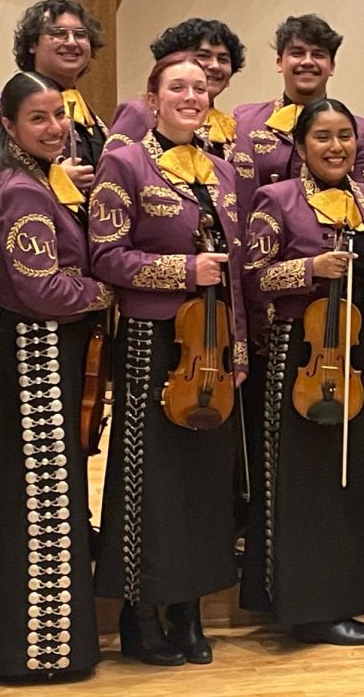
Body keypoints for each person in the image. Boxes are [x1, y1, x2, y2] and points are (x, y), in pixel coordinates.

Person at [89, 58, 249, 665]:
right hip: (152, 342)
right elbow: (105, 256)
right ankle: (140, 609)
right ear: (150, 97)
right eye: (176, 87)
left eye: (200, 88)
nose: (190, 96)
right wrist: (183, 270)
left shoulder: (225, 172)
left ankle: (189, 609)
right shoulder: (124, 162)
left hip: (211, 345)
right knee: (149, 477)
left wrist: (236, 345)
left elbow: (237, 275)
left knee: (206, 478)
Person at [0, 72, 113, 683]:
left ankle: (48, 646)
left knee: (54, 494)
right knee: (43, 499)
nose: (55, 129)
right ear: (9, 126)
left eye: (59, 116)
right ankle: (33, 654)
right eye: (38, 119)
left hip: (55, 346)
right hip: (40, 348)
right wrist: (106, 290)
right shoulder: (22, 189)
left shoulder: (44, 180)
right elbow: (41, 288)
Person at [239, 99, 364, 646]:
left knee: (347, 481)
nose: (337, 147)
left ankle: (342, 597)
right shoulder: (276, 200)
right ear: (302, 146)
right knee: (305, 482)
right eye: (323, 138)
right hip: (299, 353)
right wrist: (309, 268)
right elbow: (255, 277)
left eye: (345, 136)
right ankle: (306, 606)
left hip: (354, 354)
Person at [0, 0, 108, 212]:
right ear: (32, 45)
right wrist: (53, 181)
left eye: (81, 35)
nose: (72, 42)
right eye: (58, 33)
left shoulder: (91, 118)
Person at [230, 14, 364, 213]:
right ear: (279, 62)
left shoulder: (360, 130)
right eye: (297, 53)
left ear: (332, 66)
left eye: (318, 54)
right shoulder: (245, 122)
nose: (308, 62)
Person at [106, 17, 248, 167]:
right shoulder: (140, 112)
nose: (215, 66)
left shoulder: (239, 132)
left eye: (223, 59)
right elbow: (114, 169)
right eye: (203, 56)